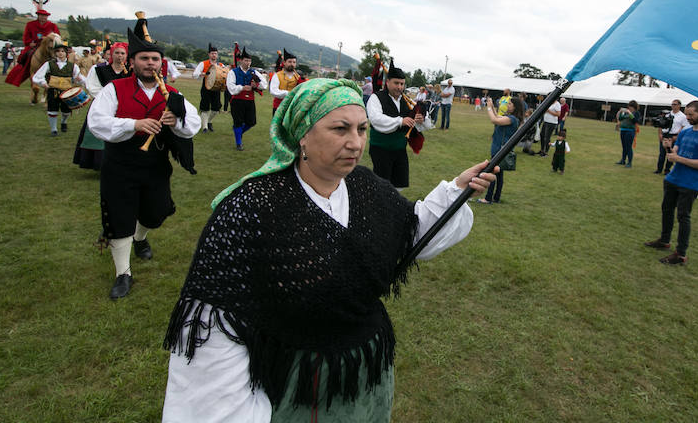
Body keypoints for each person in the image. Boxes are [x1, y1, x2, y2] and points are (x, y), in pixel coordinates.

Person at [161, 78, 495, 421]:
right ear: (302, 133)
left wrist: (457, 190)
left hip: (365, 378)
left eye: (362, 129)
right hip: (296, 387)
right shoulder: (251, 207)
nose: (355, 143)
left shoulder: (366, 186)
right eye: (340, 129)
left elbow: (411, 232)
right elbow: (215, 333)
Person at [88, 15, 199, 299]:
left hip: (155, 164)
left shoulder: (172, 93)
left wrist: (177, 122)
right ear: (133, 62)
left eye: (154, 59)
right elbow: (97, 122)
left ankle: (141, 238)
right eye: (144, 58)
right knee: (120, 215)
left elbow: (193, 126)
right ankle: (123, 273)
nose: (150, 63)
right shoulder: (115, 89)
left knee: (156, 212)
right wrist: (132, 124)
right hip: (120, 163)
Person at [644, 100, 698, 265]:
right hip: (673, 179)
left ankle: (681, 254)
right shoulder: (685, 132)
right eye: (687, 114)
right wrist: (668, 147)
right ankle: (664, 240)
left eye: (692, 114)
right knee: (667, 210)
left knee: (683, 216)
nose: (688, 117)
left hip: (690, 183)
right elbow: (674, 153)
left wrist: (678, 159)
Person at [366, 67, 432, 189]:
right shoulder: (376, 98)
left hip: (400, 149)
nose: (399, 87)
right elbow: (375, 119)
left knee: (398, 184)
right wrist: (400, 121)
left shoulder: (405, 100)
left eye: (402, 84)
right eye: (396, 83)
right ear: (388, 82)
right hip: (381, 149)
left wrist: (421, 119)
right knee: (382, 185)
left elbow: (421, 121)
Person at [73, 42, 130, 170]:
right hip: (101, 105)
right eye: (117, 53)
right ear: (111, 54)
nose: (119, 56)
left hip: (123, 107)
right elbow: (92, 87)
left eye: (122, 53)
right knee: (99, 133)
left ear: (126, 55)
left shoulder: (131, 71)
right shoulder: (98, 69)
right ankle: (97, 162)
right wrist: (108, 100)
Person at [31, 42, 87, 136]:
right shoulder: (49, 64)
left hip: (67, 92)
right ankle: (54, 129)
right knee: (52, 109)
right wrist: (44, 83)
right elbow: (38, 76)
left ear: (66, 53)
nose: (60, 53)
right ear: (55, 53)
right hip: (53, 90)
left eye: (62, 51)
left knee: (66, 111)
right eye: (58, 51)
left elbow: (79, 78)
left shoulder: (73, 66)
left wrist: (79, 80)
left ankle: (63, 121)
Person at [478, 96, 524, 204]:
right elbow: (497, 116)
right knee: (499, 175)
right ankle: (496, 198)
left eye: (510, 104)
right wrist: (492, 107)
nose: (507, 105)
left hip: (499, 149)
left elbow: (494, 120)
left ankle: (488, 198)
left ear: (515, 107)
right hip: (501, 149)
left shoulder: (511, 119)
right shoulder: (511, 118)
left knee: (492, 172)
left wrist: (489, 108)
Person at [5, 8, 60, 87]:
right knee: (26, 55)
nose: (43, 17)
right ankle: (25, 67)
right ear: (38, 16)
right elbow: (26, 36)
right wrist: (29, 43)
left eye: (45, 16)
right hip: (35, 45)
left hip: (48, 46)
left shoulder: (52, 26)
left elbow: (57, 36)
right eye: (42, 16)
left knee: (59, 55)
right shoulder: (30, 24)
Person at [227, 48, 268, 151]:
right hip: (237, 100)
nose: (248, 63)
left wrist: (256, 85)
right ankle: (239, 143)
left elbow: (264, 85)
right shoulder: (233, 72)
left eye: (249, 61)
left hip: (250, 100)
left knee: (251, 122)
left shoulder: (254, 72)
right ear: (241, 60)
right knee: (238, 122)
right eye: (246, 60)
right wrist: (241, 87)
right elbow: (231, 88)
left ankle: (238, 132)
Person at [192, 43, 223, 132]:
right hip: (206, 87)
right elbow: (195, 74)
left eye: (215, 53)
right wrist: (202, 74)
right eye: (212, 53)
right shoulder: (203, 63)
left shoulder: (220, 65)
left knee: (216, 109)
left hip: (216, 88)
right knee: (205, 107)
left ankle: (209, 121)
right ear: (209, 54)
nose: (214, 55)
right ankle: (204, 127)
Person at [654, 99, 688, 175]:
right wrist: (660, 134)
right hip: (665, 134)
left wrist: (677, 137)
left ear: (679, 105)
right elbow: (661, 124)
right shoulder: (667, 114)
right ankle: (659, 169)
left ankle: (667, 170)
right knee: (662, 153)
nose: (673, 106)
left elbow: (682, 128)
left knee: (670, 153)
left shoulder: (682, 116)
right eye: (672, 104)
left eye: (675, 104)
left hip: (673, 135)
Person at [270, 49, 303, 115]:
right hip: (279, 107)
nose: (292, 64)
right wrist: (288, 93)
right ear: (284, 63)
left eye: (294, 62)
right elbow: (273, 91)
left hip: (293, 107)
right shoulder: (277, 75)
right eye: (290, 62)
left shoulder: (298, 77)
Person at [615, 100, 641, 167]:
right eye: (629, 106)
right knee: (624, 147)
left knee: (628, 147)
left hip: (630, 131)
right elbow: (620, 118)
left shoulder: (636, 113)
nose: (629, 108)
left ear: (634, 107)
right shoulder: (625, 112)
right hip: (623, 130)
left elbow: (635, 121)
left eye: (631, 107)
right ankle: (623, 160)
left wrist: (629, 113)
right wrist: (619, 112)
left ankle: (629, 162)